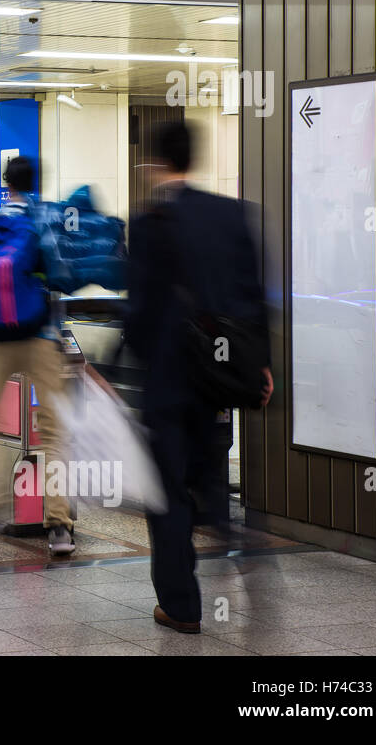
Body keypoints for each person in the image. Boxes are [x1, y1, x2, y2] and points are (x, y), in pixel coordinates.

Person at [126, 120, 272, 634]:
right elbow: (253, 299)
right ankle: (242, 545)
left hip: (167, 382)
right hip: (218, 378)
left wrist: (137, 358)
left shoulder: (149, 223)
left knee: (168, 494)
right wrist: (259, 368)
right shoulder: (232, 215)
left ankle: (182, 606)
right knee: (210, 473)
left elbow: (140, 312)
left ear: (155, 164)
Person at [0, 156, 76, 556]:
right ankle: (59, 526)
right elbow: (62, 276)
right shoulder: (46, 219)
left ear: (5, 182)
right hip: (42, 334)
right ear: (37, 181)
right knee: (52, 432)